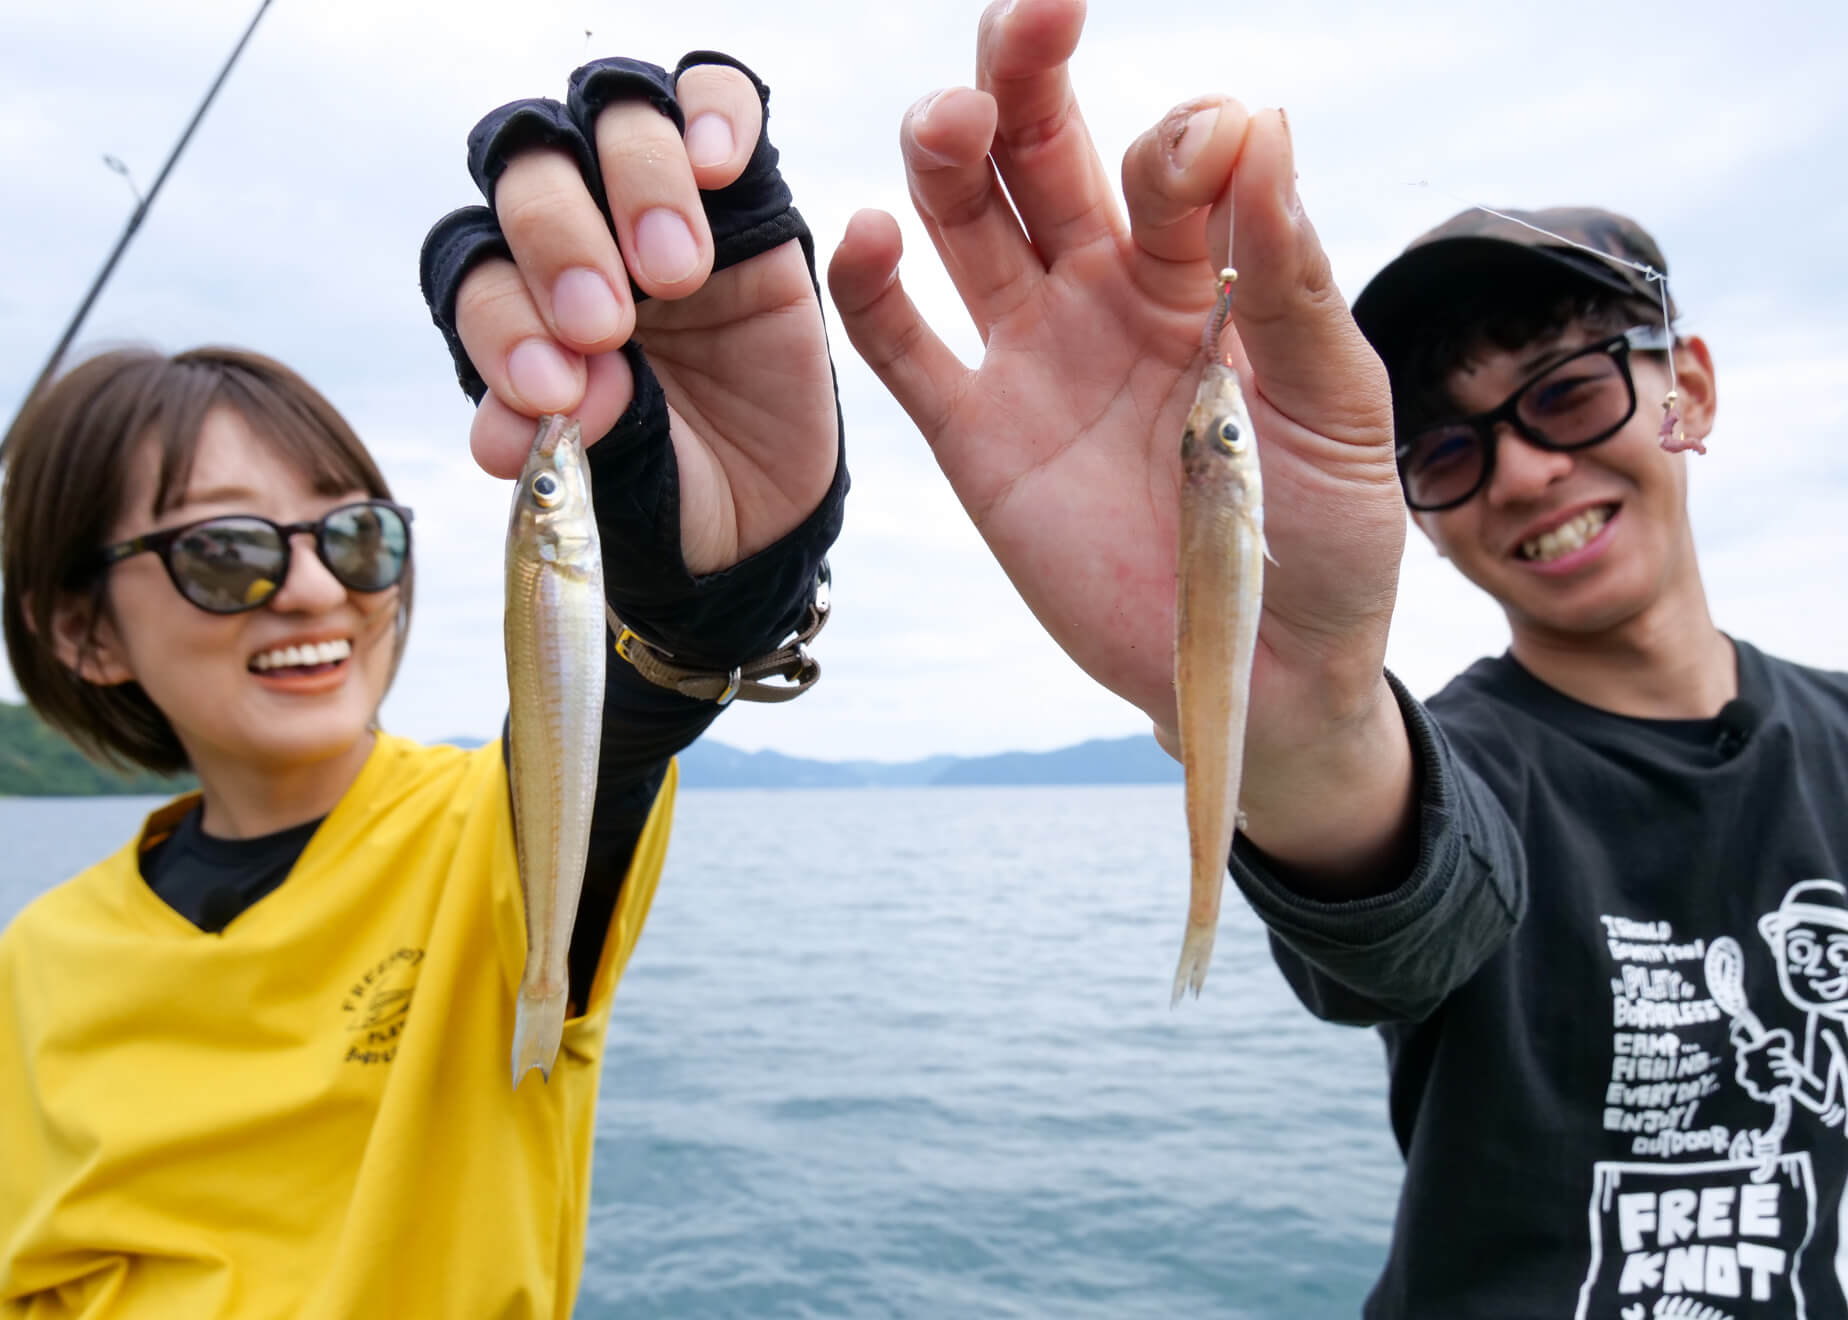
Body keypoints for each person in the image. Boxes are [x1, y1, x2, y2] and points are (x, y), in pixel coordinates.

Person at [821, 3, 1848, 1315]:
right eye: (1448, 448)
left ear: (1688, 390)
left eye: (1571, 389)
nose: (1527, 469)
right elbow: (1414, 919)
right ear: (1405, 497)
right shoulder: (1475, 769)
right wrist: (1301, 739)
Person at [0, 56, 842, 1320]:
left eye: (355, 538)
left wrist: (717, 595)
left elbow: (627, 714)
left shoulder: (482, 842)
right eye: (226, 550)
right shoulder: (37, 963)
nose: (314, 592)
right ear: (85, 634)